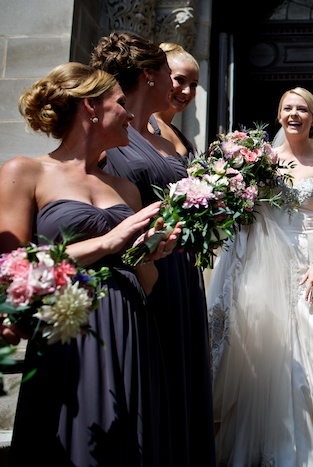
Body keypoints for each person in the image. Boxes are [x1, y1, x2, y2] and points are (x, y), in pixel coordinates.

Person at [0, 62, 180, 466]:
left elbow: (146, 281)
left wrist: (149, 250)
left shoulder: (125, 187)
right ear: (91, 107)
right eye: (121, 104)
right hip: (70, 332)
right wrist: (109, 241)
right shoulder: (25, 171)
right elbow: (12, 268)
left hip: (130, 326)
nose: (132, 115)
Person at [206, 87, 313, 466]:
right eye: (287, 108)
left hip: (307, 261)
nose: (294, 114)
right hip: (260, 268)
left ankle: (305, 453)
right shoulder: (259, 162)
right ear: (278, 115)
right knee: (263, 348)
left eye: (302, 109)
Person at [90, 32, 216, 467]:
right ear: (149, 75)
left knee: (182, 375)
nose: (176, 88)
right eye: (169, 76)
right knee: (153, 377)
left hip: (180, 266)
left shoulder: (165, 134)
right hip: (142, 269)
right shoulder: (112, 134)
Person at [150, 42, 199, 161]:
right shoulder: (141, 126)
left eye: (193, 85)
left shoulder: (187, 144)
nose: (187, 91)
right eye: (180, 80)